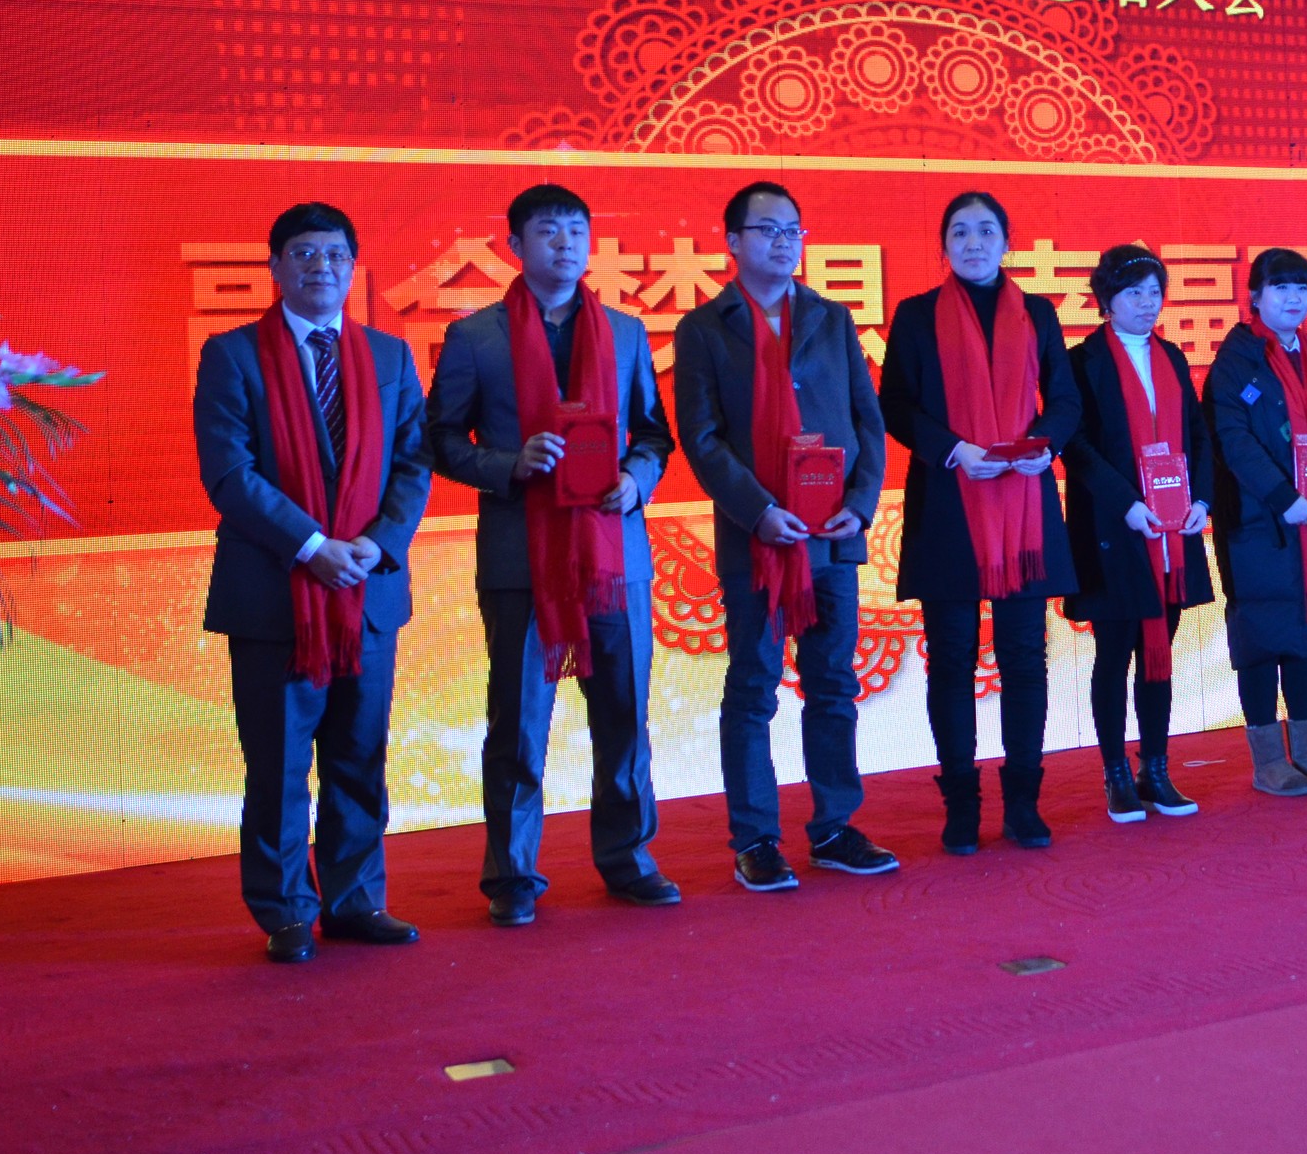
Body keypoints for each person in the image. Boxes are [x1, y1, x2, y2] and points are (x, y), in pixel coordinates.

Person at [426, 184, 679, 926]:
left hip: (614, 557)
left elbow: (654, 434)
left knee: (625, 715)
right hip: (521, 557)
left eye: (576, 231)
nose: (565, 244)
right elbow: (440, 440)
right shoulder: (475, 338)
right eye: (547, 232)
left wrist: (637, 479)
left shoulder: (626, 333)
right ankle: (512, 876)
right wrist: (510, 463)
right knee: (517, 720)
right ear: (514, 245)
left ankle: (629, 859)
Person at [194, 202, 433, 964]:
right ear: (275, 267)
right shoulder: (232, 356)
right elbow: (229, 473)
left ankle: (356, 900)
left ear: (352, 267)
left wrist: (372, 544)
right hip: (273, 596)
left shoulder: (390, 357)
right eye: (302, 254)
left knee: (359, 757)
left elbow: (414, 463)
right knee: (278, 763)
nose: (319, 267)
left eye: (333, 255)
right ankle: (286, 910)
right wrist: (310, 547)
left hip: (367, 590)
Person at [674, 180, 900, 890]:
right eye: (767, 230)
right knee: (753, 687)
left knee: (832, 683)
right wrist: (758, 510)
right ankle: (755, 837)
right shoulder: (704, 329)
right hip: (760, 539)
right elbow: (702, 438)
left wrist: (860, 503)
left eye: (793, 230)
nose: (783, 242)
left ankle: (833, 826)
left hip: (831, 535)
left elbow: (867, 421)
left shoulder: (832, 319)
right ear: (732, 241)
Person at [880, 190, 1080, 852]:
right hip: (949, 501)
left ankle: (1023, 803)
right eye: (960, 232)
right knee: (951, 660)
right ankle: (961, 806)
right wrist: (954, 450)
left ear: (1006, 242)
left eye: (986, 231)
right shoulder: (915, 316)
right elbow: (895, 405)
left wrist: (1045, 446)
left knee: (1024, 658)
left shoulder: (1038, 313)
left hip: (1023, 505)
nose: (973, 243)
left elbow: (1066, 400)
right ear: (943, 245)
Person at [1203, 247, 1307, 797]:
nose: (1294, 298)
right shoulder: (1235, 361)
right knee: (1260, 636)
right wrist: (1282, 496)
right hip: (1259, 522)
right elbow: (1231, 440)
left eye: (1302, 288)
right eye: (1281, 288)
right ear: (1255, 296)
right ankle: (1269, 761)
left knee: (1306, 633)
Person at [1063, 244, 1213, 822]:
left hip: (1172, 531)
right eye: (1134, 293)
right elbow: (1075, 445)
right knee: (1114, 654)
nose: (1148, 304)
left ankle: (1156, 769)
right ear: (1107, 300)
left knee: (1160, 653)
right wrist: (1126, 502)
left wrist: (1201, 500)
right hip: (1115, 528)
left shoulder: (1171, 356)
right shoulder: (1083, 362)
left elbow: (1197, 434)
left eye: (1155, 293)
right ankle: (1116, 775)